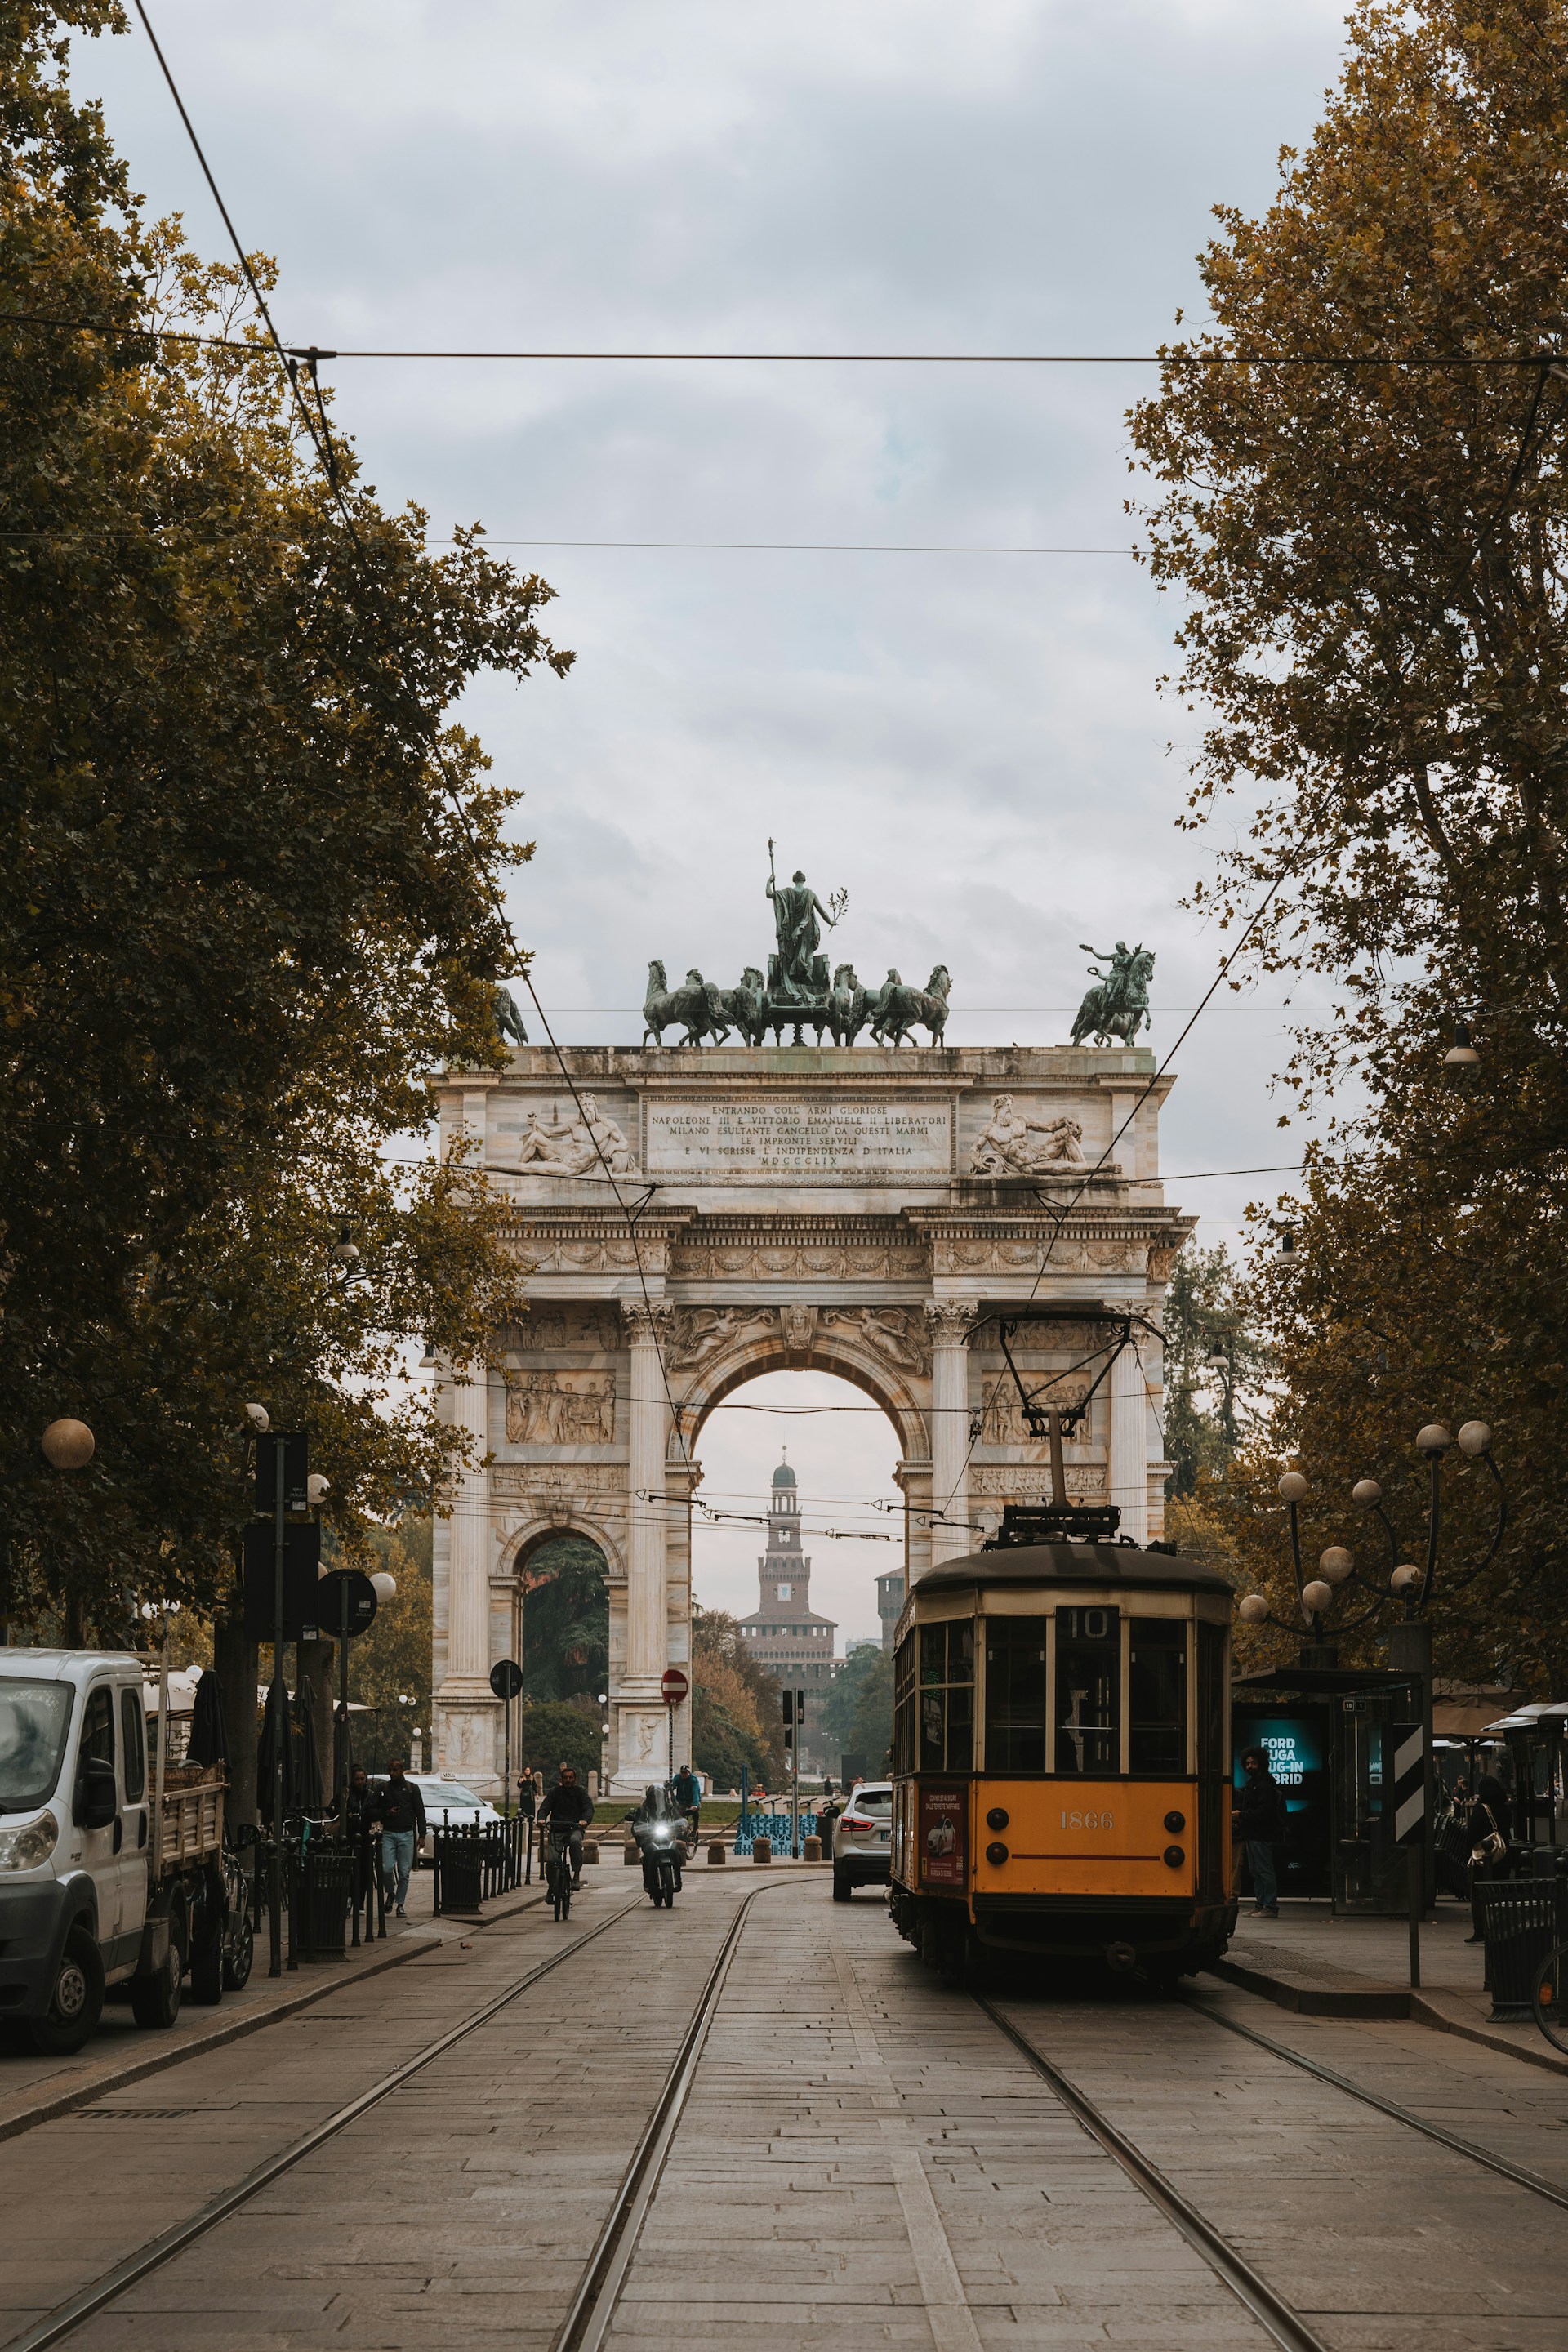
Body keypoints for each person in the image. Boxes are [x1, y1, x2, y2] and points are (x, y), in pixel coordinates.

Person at [1234, 1747, 1286, 1918]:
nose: (1250, 1766)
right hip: (1253, 1833)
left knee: (1264, 1870)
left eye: (1253, 1763)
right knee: (1256, 1870)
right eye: (1248, 1763)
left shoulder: (1263, 1785)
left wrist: (1241, 1814)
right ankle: (1261, 1904)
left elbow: (1264, 1812)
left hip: (1261, 1833)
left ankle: (1269, 1906)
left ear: (1261, 1764)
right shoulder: (1254, 1784)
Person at [375, 1757, 427, 1918]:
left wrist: (422, 1835)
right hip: (389, 1832)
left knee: (404, 1872)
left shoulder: (412, 1788)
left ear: (402, 1770)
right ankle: (390, 1892)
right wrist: (387, 1812)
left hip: (406, 1833)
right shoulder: (383, 1788)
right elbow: (374, 1809)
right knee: (386, 1868)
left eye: (395, 1769)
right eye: (389, 1769)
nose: (392, 1773)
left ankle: (400, 1904)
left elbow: (420, 1812)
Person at [1465, 1772, 1512, 1944]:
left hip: (1484, 1860)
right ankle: (1499, 1927)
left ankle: (1480, 1931)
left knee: (1479, 1894)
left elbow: (1472, 1835)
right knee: (1499, 1892)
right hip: (1503, 1857)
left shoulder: (1480, 1809)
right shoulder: (1505, 1808)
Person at [537, 1763, 594, 1891]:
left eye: (571, 1778)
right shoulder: (554, 1792)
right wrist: (541, 1818)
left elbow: (588, 1807)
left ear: (575, 1779)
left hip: (575, 1828)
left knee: (575, 1842)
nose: (568, 1780)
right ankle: (552, 1887)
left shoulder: (580, 1792)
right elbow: (545, 1807)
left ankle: (576, 1875)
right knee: (551, 1861)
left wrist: (585, 1820)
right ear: (561, 1780)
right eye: (566, 1778)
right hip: (557, 1829)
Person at [632, 1784, 682, 1897]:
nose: (655, 1799)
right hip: (649, 1838)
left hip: (666, 1837)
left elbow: (678, 1818)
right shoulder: (643, 1809)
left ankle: (677, 1878)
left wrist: (681, 1824)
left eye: (658, 1796)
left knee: (677, 1853)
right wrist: (638, 1828)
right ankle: (647, 1882)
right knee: (647, 1857)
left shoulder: (669, 1808)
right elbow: (637, 1822)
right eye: (653, 1796)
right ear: (649, 1797)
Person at [671, 1762, 702, 1838]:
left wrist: (695, 1804)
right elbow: (672, 1787)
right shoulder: (677, 1778)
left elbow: (695, 1792)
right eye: (682, 1773)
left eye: (685, 1773)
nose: (683, 1775)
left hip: (691, 1800)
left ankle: (695, 1828)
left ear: (689, 1773)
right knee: (677, 1814)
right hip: (681, 1800)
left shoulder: (693, 1779)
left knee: (695, 1811)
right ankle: (679, 1830)